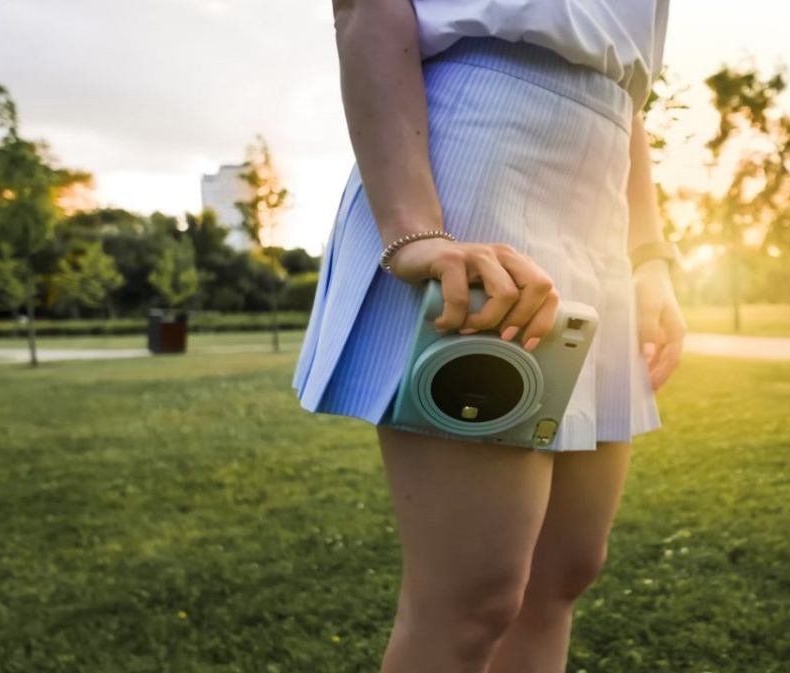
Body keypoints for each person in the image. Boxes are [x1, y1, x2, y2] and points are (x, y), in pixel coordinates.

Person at [292, 1, 685, 671]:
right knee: (473, 596)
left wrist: (649, 257)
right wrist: (416, 228)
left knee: (561, 572)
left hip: (602, 197)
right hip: (479, 163)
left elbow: (630, 92)